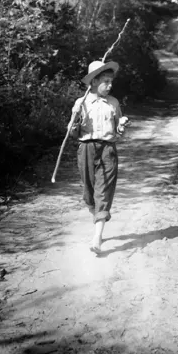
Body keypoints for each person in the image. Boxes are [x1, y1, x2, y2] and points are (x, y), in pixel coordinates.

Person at [69, 60, 129, 255]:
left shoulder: (113, 102)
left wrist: (122, 126)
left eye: (111, 81)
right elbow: (72, 133)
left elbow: (119, 132)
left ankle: (97, 237)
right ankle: (97, 220)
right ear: (93, 82)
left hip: (107, 150)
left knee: (104, 191)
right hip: (86, 148)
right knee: (89, 192)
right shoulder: (81, 103)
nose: (110, 85)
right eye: (105, 81)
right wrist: (75, 120)